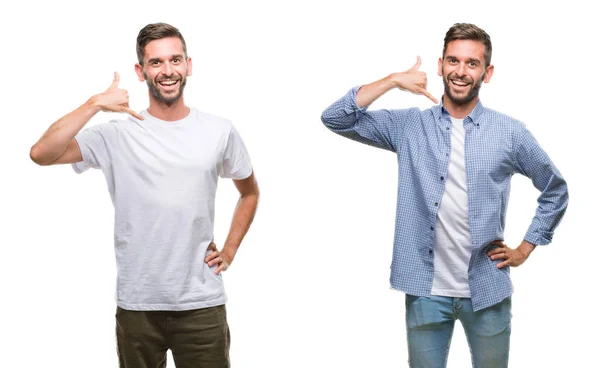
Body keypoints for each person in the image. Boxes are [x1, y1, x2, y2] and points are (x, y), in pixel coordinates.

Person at [320, 23, 568, 367]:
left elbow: (555, 188)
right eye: (453, 61)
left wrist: (526, 248)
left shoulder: (509, 133)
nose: (461, 72)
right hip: (425, 291)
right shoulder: (408, 127)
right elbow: (335, 117)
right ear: (440, 66)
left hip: (488, 290)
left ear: (487, 72)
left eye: (472, 63)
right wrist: (393, 79)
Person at [30, 22, 259, 367]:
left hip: (201, 303)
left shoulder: (219, 130)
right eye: (156, 63)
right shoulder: (116, 135)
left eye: (175, 60)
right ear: (141, 71)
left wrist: (229, 250)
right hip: (138, 305)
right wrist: (94, 104)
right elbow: (41, 153)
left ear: (188, 66)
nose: (167, 71)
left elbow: (250, 192)